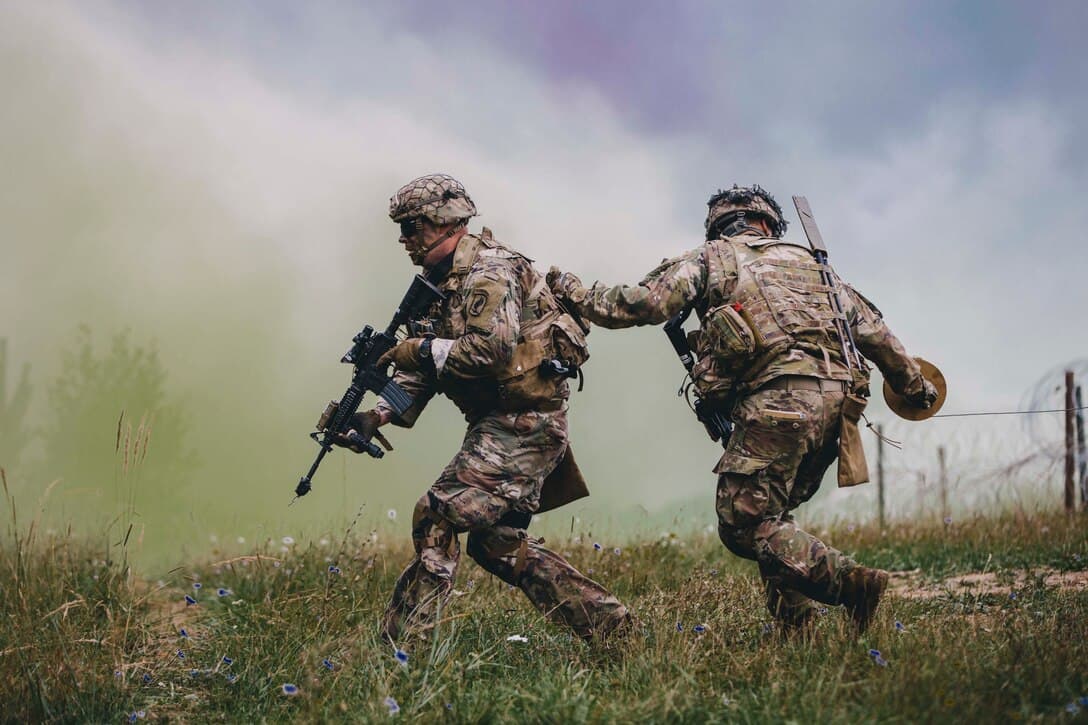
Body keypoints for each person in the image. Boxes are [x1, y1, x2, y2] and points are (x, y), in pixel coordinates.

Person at [548, 184, 937, 635]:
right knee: (772, 517)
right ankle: (798, 628)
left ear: (718, 226)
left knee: (742, 523)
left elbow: (643, 304)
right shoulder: (819, 270)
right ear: (770, 224)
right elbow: (878, 338)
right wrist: (917, 390)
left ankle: (851, 584)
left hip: (779, 400)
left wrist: (575, 292)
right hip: (840, 410)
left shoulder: (714, 257)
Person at [334, 173, 631, 646]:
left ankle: (401, 650)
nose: (404, 239)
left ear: (442, 221)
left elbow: (487, 351)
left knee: (437, 515)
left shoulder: (489, 271)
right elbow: (422, 369)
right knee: (496, 546)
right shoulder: (437, 284)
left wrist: (415, 348)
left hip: (525, 422)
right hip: (501, 424)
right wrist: (376, 415)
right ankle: (613, 629)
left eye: (412, 227)